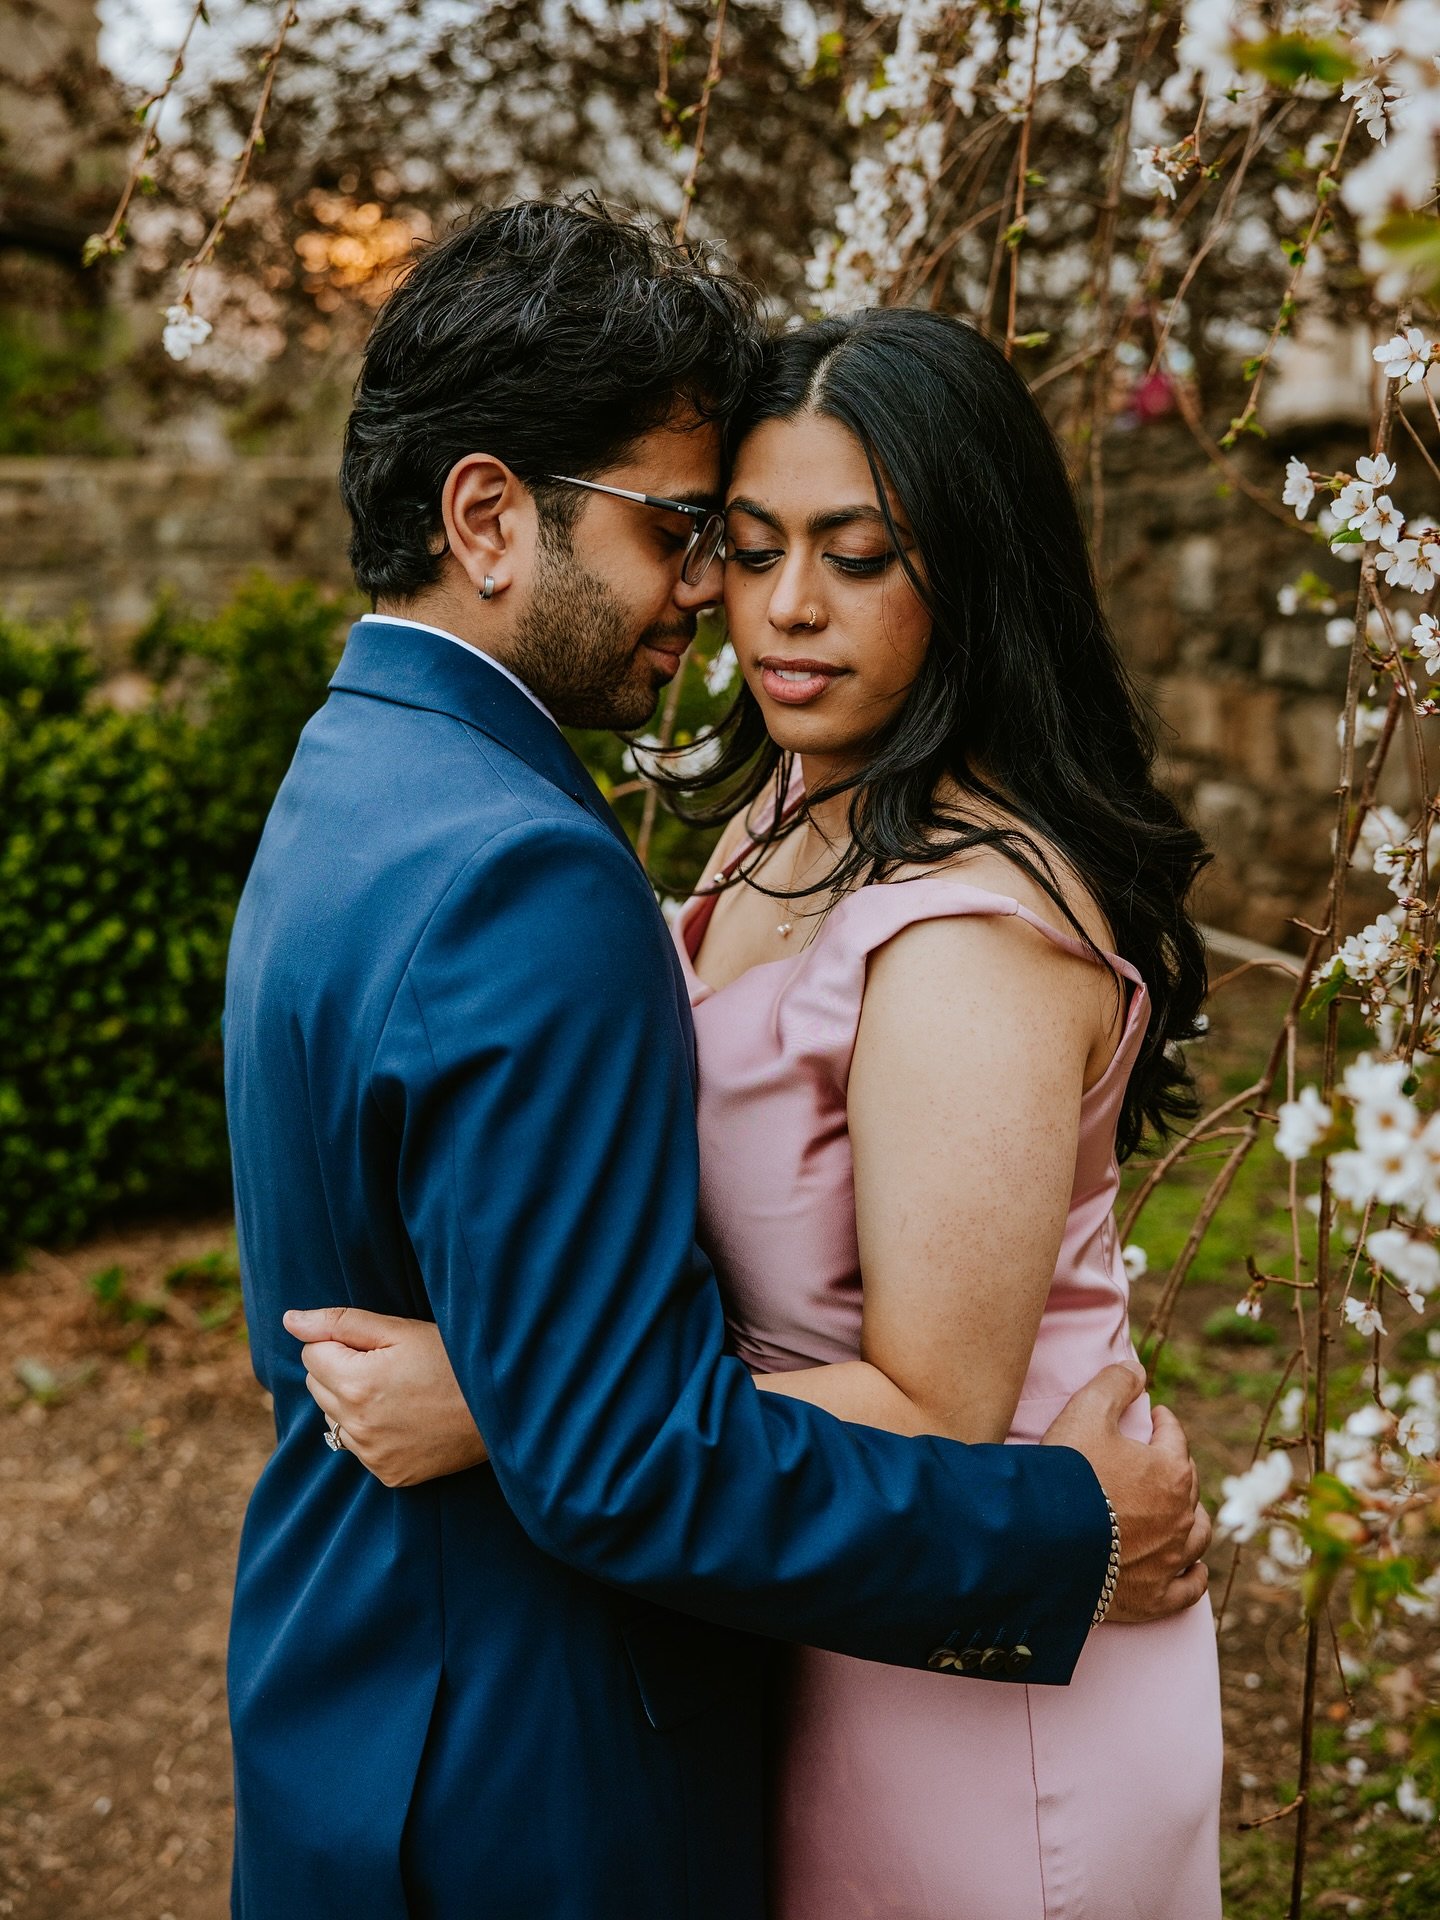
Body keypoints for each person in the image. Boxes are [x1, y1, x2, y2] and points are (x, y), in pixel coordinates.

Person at [228, 199, 1210, 1920]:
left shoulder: (360, 771)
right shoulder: (667, 843)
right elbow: (616, 1414)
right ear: (487, 517)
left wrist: (504, 1402)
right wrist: (547, 1401)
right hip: (614, 1674)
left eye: (856, 551)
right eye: (721, 537)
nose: (745, 600)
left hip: (945, 1677)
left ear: (960, 569)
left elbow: (908, 1399)